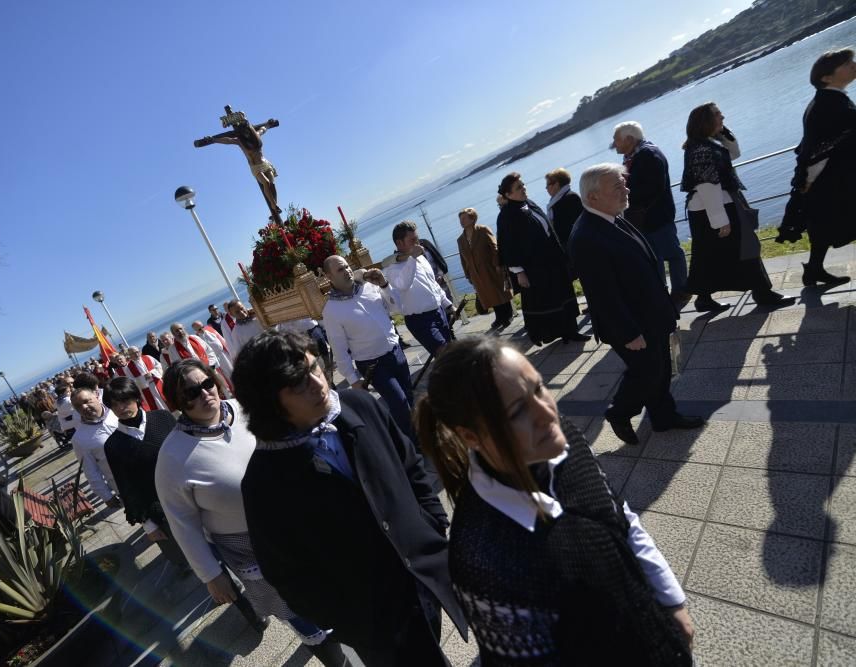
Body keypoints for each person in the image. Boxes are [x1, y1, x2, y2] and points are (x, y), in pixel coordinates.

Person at [414, 337, 694, 665]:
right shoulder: (484, 558)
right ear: (471, 436)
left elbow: (619, 515)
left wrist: (672, 602)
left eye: (538, 388)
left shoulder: (564, 440)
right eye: (517, 411)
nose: (546, 413)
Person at [233, 331, 469, 665]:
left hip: (427, 579)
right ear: (269, 402)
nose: (318, 384)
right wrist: (346, 620)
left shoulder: (360, 405)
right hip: (374, 620)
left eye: (316, 368)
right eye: (299, 383)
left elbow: (411, 467)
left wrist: (433, 526)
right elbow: (288, 575)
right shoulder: (263, 483)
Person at [155, 359, 346, 665]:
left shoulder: (244, 408)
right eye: (191, 392)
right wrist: (211, 575)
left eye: (207, 384)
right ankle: (337, 660)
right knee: (294, 609)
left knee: (325, 586)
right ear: (177, 402)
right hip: (249, 546)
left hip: (293, 521)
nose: (204, 394)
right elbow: (183, 523)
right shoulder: (172, 457)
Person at [569, 163, 705, 444]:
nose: (626, 189)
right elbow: (602, 294)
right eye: (617, 186)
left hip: (651, 313)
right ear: (593, 197)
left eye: (624, 183)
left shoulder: (612, 216)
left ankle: (664, 417)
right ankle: (620, 412)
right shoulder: (585, 237)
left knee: (662, 367)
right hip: (630, 323)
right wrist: (629, 333)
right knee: (647, 372)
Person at [680, 102, 794, 310]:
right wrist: (720, 220)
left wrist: (723, 132)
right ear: (705, 121)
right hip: (713, 209)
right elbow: (707, 185)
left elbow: (733, 153)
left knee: (707, 254)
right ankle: (762, 293)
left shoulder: (705, 144)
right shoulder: (702, 149)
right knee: (745, 248)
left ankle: (705, 299)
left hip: (713, 208)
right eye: (717, 114)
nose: (722, 116)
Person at [321, 255, 416, 440]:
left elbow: (396, 308)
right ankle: (413, 444)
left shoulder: (370, 287)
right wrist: (353, 379)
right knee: (399, 402)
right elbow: (339, 350)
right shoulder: (331, 311)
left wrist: (384, 284)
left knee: (408, 396)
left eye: (347, 266)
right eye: (340, 269)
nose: (347, 271)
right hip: (373, 364)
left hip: (395, 352)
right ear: (329, 277)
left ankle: (413, 434)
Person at [101, 378, 187, 568]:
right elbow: (126, 486)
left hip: (190, 494)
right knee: (183, 557)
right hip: (159, 509)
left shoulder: (163, 417)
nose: (122, 408)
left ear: (136, 398)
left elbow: (187, 451)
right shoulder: (113, 445)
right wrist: (148, 525)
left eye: (125, 400)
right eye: (114, 404)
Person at [496, 171, 590, 346]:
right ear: (508, 194)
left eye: (523, 185)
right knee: (543, 301)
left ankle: (570, 331)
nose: (524, 188)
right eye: (519, 187)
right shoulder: (507, 216)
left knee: (562, 295)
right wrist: (519, 272)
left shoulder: (528, 204)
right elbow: (507, 246)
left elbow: (547, 229)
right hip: (533, 267)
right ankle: (540, 334)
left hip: (551, 261)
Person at [791, 48, 856, 285]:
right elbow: (819, 149)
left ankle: (814, 270)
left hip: (833, 177)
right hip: (833, 178)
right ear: (826, 77)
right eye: (847, 63)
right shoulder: (830, 104)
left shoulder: (830, 99)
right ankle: (814, 270)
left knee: (823, 227)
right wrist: (807, 180)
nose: (853, 65)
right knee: (828, 224)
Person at [612, 121, 690, 307]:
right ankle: (661, 292)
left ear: (630, 139)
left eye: (616, 140)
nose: (614, 144)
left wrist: (624, 194)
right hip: (645, 217)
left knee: (671, 253)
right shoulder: (635, 155)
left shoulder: (649, 155)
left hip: (655, 216)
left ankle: (680, 291)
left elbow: (653, 188)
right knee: (654, 257)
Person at [384, 221, 454, 355]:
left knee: (450, 354)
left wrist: (448, 305)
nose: (418, 243)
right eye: (413, 240)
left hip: (439, 312)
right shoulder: (392, 268)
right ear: (399, 243)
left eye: (417, 238)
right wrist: (412, 259)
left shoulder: (421, 258)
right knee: (445, 354)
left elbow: (432, 284)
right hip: (420, 321)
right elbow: (402, 285)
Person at [456, 207, 514, 329]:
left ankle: (508, 315)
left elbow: (495, 247)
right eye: (460, 219)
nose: (461, 221)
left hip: (491, 268)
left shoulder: (482, 230)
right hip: (476, 273)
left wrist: (497, 264)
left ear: (472, 219)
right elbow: (463, 259)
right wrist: (468, 274)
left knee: (500, 292)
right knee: (488, 295)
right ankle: (499, 317)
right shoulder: (460, 240)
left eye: (464, 218)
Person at [69, 386, 122, 507]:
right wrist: (106, 496)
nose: (83, 407)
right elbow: (91, 471)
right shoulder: (80, 439)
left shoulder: (118, 411)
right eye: (78, 406)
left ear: (97, 395)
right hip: (124, 486)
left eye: (86, 401)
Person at [168, 322, 230, 395]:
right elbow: (177, 366)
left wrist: (210, 366)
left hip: (210, 370)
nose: (180, 332)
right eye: (176, 331)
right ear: (173, 334)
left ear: (184, 328)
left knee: (224, 391)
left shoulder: (195, 338)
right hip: (196, 379)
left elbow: (209, 350)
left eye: (180, 329)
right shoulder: (172, 349)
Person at [544, 168, 585, 249]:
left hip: (578, 245)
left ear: (556, 184)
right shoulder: (554, 202)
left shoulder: (571, 198)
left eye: (548, 184)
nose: (546, 188)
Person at [191, 320, 235, 391]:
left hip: (223, 354)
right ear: (195, 330)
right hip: (213, 361)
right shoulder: (197, 339)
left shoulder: (209, 329)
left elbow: (221, 339)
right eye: (199, 329)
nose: (202, 329)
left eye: (202, 327)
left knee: (232, 371)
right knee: (223, 378)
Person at [122, 345, 168, 411]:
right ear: (130, 355)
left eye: (137, 352)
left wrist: (152, 373)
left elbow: (159, 366)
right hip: (146, 390)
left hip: (157, 383)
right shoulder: (128, 368)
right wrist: (142, 378)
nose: (137, 354)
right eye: (133, 353)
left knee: (167, 401)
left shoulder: (148, 357)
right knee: (157, 406)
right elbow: (131, 381)